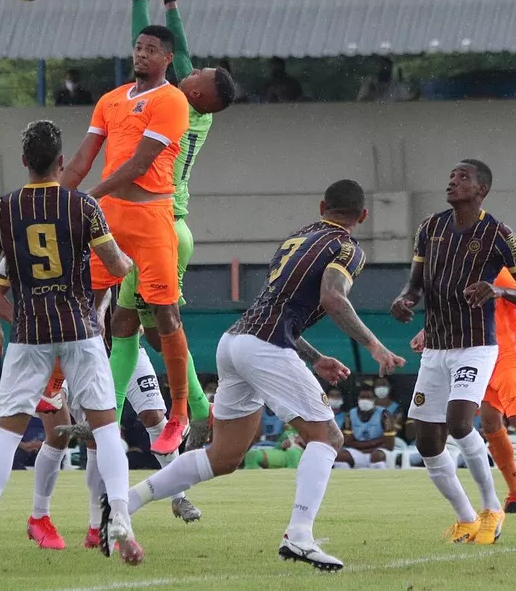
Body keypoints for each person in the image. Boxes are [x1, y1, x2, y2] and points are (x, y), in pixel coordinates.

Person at [118, 180, 405, 571]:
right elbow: (332, 298)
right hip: (265, 347)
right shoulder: (348, 249)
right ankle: (299, 537)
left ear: (322, 206)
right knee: (329, 436)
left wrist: (315, 356)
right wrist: (374, 345)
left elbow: (279, 306)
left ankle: (122, 505)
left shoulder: (297, 239)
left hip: (235, 342)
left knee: (224, 457)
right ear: (363, 216)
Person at [61, 0, 235, 455]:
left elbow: (167, 46)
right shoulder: (160, 96)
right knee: (125, 324)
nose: (191, 71)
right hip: (137, 218)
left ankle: (191, 413)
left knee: (146, 325)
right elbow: (156, 41)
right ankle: (139, 417)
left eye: (195, 73)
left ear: (198, 89)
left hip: (163, 222)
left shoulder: (181, 104)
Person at [0, 119, 141, 569]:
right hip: (79, 328)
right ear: (61, 162)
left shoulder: (3, 210)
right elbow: (115, 265)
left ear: (24, 162)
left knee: (8, 431)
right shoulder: (82, 205)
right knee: (104, 426)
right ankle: (120, 520)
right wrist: (134, 258)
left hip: (31, 332)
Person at [0, 260, 201, 553]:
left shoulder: (106, 234)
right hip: (62, 350)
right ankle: (44, 516)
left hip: (122, 347)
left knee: (152, 417)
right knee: (65, 436)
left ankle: (177, 496)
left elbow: (132, 283)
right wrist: (21, 324)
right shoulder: (29, 229)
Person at [391, 159, 516, 545]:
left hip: (476, 346)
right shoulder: (430, 228)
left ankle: (493, 508)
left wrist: (499, 291)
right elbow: (415, 284)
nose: (453, 181)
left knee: (460, 423)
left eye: (463, 177)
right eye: (451, 176)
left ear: (482, 190)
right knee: (426, 441)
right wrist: (404, 300)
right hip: (436, 349)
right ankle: (465, 517)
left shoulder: (498, 233)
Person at [411, 267, 516, 513]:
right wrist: (427, 332)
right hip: (477, 356)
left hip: (507, 355)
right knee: (490, 423)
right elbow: (452, 314)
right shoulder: (455, 273)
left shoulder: (499, 275)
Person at [333, 386, 395, 469]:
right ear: (358, 399)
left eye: (369, 397)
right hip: (358, 452)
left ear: (374, 399)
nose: (365, 400)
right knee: (339, 456)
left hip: (379, 451)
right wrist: (379, 440)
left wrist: (364, 447)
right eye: (362, 397)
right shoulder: (349, 415)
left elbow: (389, 445)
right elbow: (348, 442)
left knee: (377, 456)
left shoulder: (385, 415)